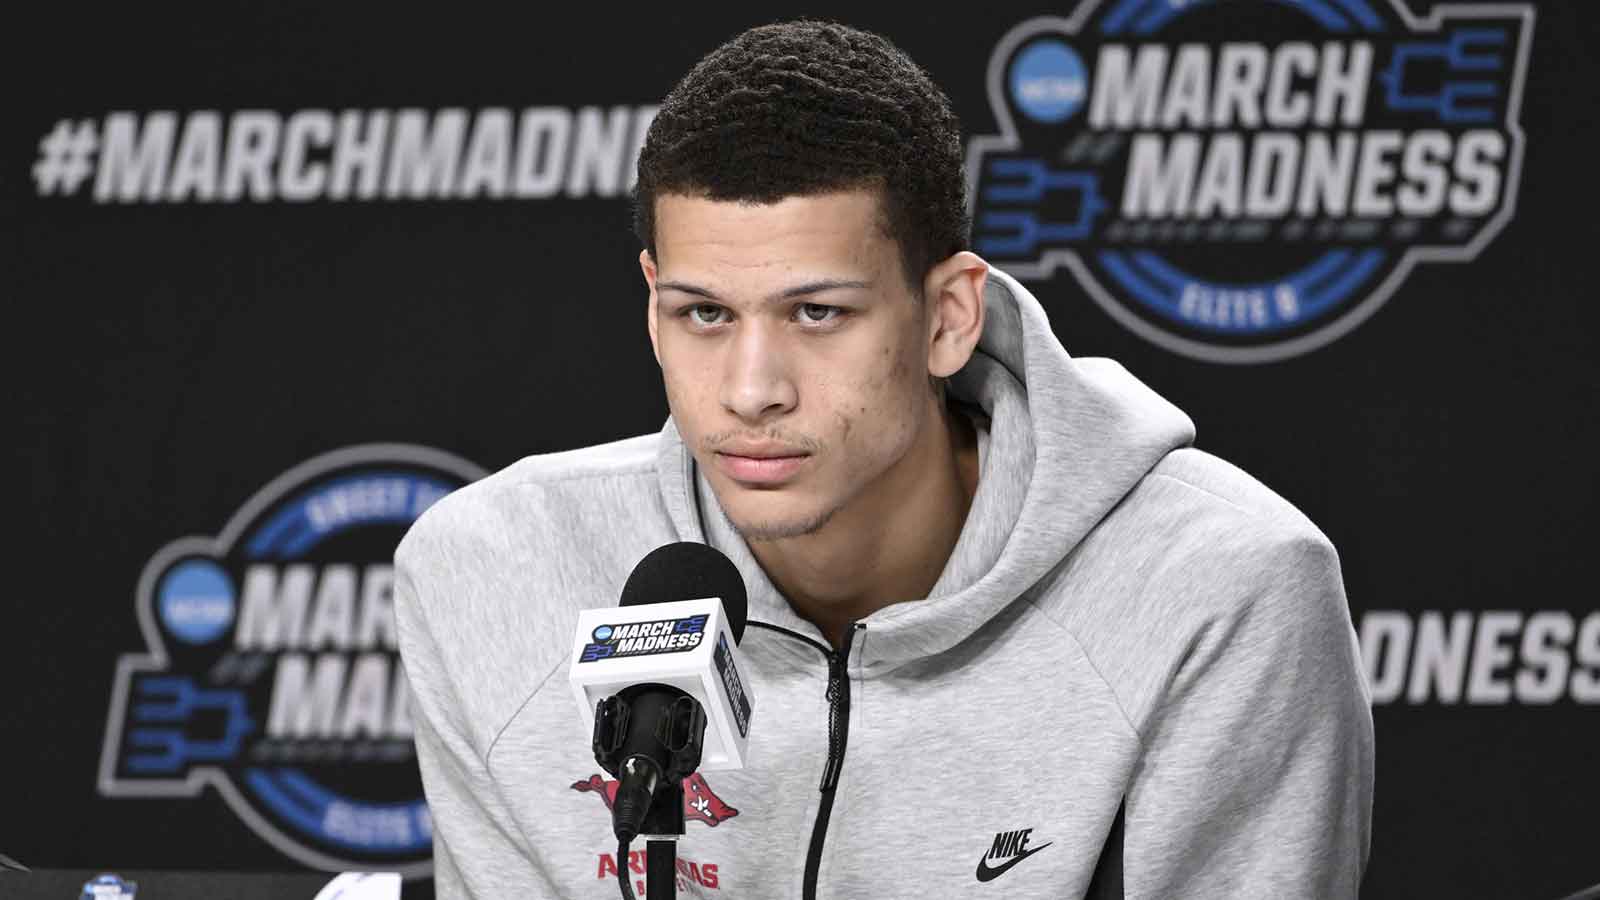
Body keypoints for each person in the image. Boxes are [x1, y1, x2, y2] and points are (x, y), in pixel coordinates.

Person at [393, 19, 1374, 899]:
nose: (750, 390)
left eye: (817, 314)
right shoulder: (490, 570)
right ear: (651, 301)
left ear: (947, 316)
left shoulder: (1217, 590)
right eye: (703, 314)